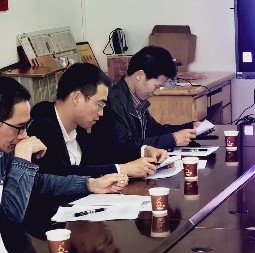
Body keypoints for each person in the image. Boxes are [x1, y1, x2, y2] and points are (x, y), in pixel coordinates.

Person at [0, 76, 127, 238]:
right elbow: (8, 215)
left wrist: (90, 184)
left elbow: (38, 182)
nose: (24, 136)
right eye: (19, 128)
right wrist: (23, 159)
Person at [25, 63, 167, 235]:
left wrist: (142, 150)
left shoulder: (77, 126)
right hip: (52, 229)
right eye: (99, 104)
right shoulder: (42, 125)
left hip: (78, 216)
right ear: (77, 98)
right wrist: (122, 169)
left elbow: (100, 149)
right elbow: (59, 173)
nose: (101, 113)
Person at [91, 45, 200, 158]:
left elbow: (154, 131)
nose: (156, 92)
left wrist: (190, 128)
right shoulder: (112, 102)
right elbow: (125, 147)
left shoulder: (135, 99)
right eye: (156, 86)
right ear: (140, 75)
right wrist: (172, 139)